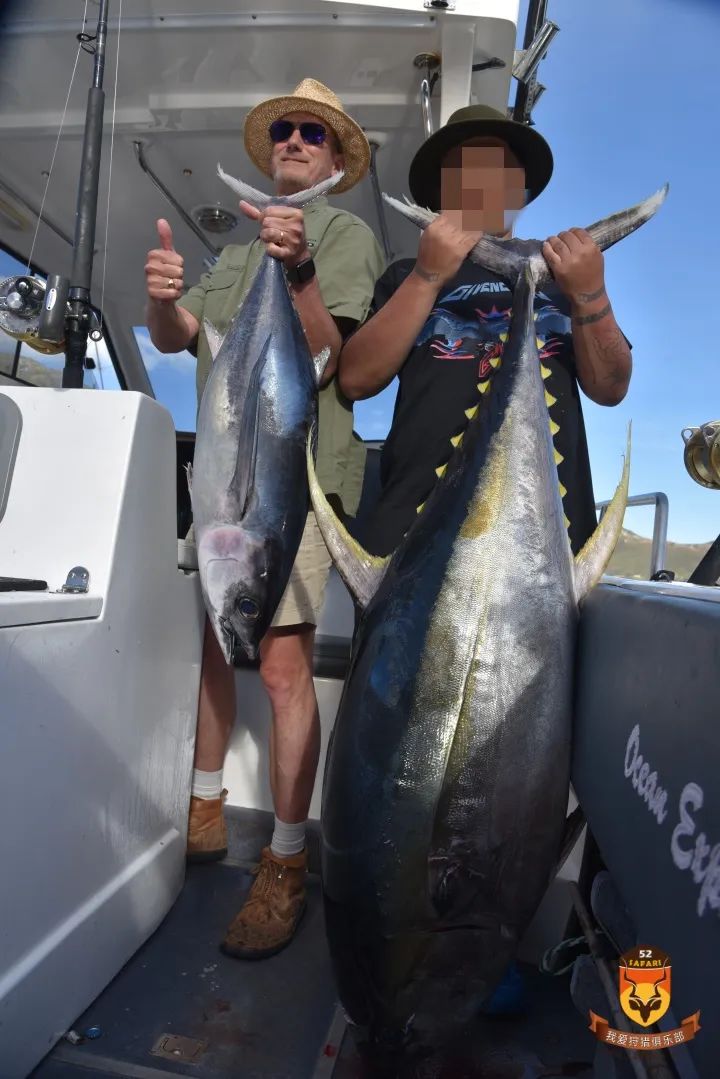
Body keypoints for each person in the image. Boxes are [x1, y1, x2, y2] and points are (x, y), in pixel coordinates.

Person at [144, 79, 384, 960]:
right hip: (222, 483)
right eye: (284, 129)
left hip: (291, 479)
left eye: (312, 132)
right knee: (218, 636)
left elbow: (336, 359)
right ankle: (206, 806)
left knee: (282, 668)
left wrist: (300, 269)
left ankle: (285, 858)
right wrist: (165, 297)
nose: (294, 141)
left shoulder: (345, 233)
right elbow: (181, 339)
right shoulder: (238, 246)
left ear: (334, 159)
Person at [339, 104, 632, 561]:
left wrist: (590, 293)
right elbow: (355, 379)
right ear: (441, 190)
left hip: (544, 542)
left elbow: (611, 387)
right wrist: (427, 277)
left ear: (521, 188)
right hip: (410, 537)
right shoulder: (404, 275)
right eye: (463, 170)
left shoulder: (563, 276)